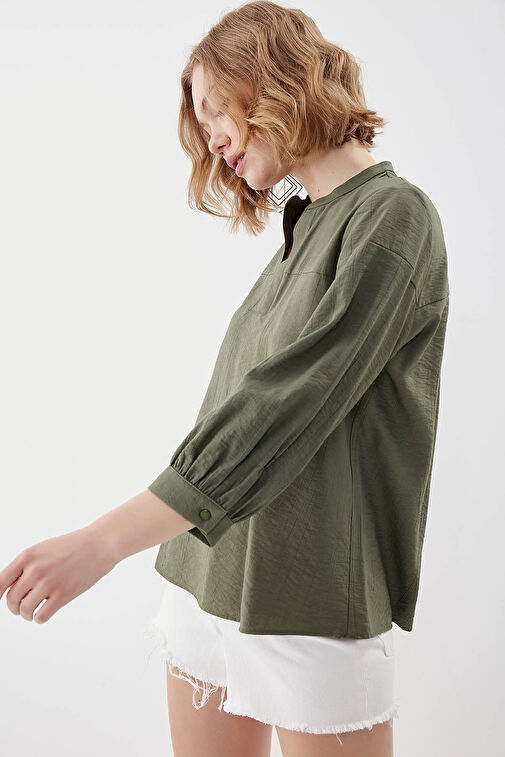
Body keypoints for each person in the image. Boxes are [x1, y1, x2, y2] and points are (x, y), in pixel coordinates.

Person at [0, 2, 450, 756]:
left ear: (271, 81)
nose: (209, 136)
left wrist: (101, 543)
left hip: (310, 603)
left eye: (215, 108)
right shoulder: (305, 224)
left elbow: (282, 408)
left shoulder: (393, 217)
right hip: (204, 579)